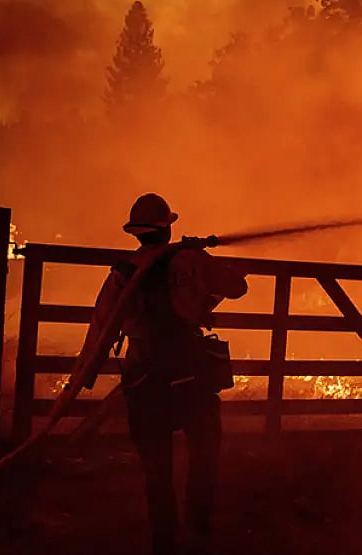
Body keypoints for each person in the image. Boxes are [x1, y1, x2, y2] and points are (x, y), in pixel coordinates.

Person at [86, 193, 247, 555]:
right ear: (168, 227)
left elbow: (102, 325)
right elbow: (237, 287)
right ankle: (198, 526)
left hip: (144, 378)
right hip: (190, 373)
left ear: (137, 233)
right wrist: (197, 257)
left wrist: (84, 376)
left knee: (156, 464)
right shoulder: (189, 260)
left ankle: (164, 537)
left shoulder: (123, 271)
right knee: (205, 449)